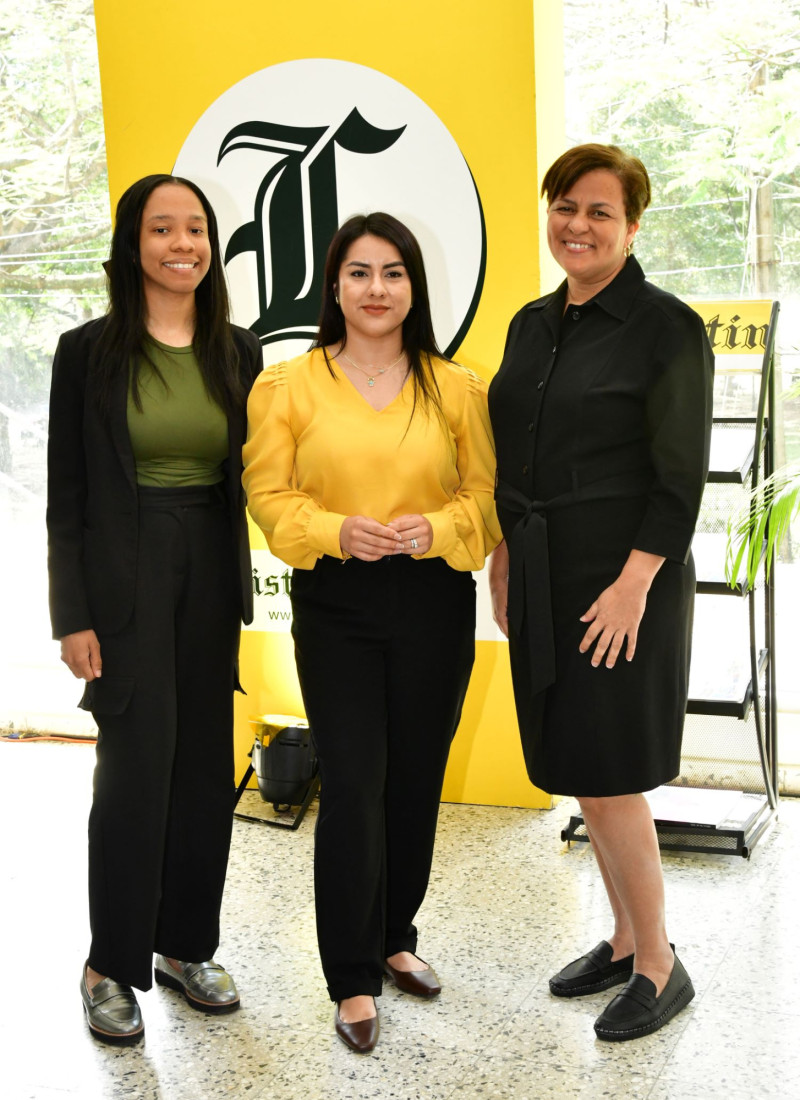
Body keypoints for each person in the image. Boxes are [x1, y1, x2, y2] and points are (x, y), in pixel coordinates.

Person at [243, 212, 500, 1053]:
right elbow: (268, 496)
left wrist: (440, 526)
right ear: (335, 286)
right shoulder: (287, 386)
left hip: (433, 598)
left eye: (393, 273)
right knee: (354, 782)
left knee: (416, 778)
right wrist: (334, 530)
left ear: (414, 288)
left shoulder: (456, 388)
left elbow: (485, 497)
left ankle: (396, 937)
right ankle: (351, 976)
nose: (377, 289)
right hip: (338, 602)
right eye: (360, 272)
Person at [488, 144, 713, 1042]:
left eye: (599, 212)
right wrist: (505, 552)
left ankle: (659, 961)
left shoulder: (666, 326)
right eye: (565, 206)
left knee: (612, 771)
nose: (577, 225)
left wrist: (634, 584)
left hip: (623, 580)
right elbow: (515, 454)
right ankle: (622, 938)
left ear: (632, 226)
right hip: (544, 566)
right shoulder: (532, 323)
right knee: (580, 762)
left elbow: (681, 475)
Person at [47, 174, 263, 1044]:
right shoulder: (86, 352)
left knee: (206, 767)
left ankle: (185, 946)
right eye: (162, 228)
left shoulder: (238, 350)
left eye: (196, 228)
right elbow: (66, 497)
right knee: (135, 770)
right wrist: (72, 615)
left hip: (209, 564)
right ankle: (109, 962)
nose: (183, 244)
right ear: (132, 244)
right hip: (124, 574)